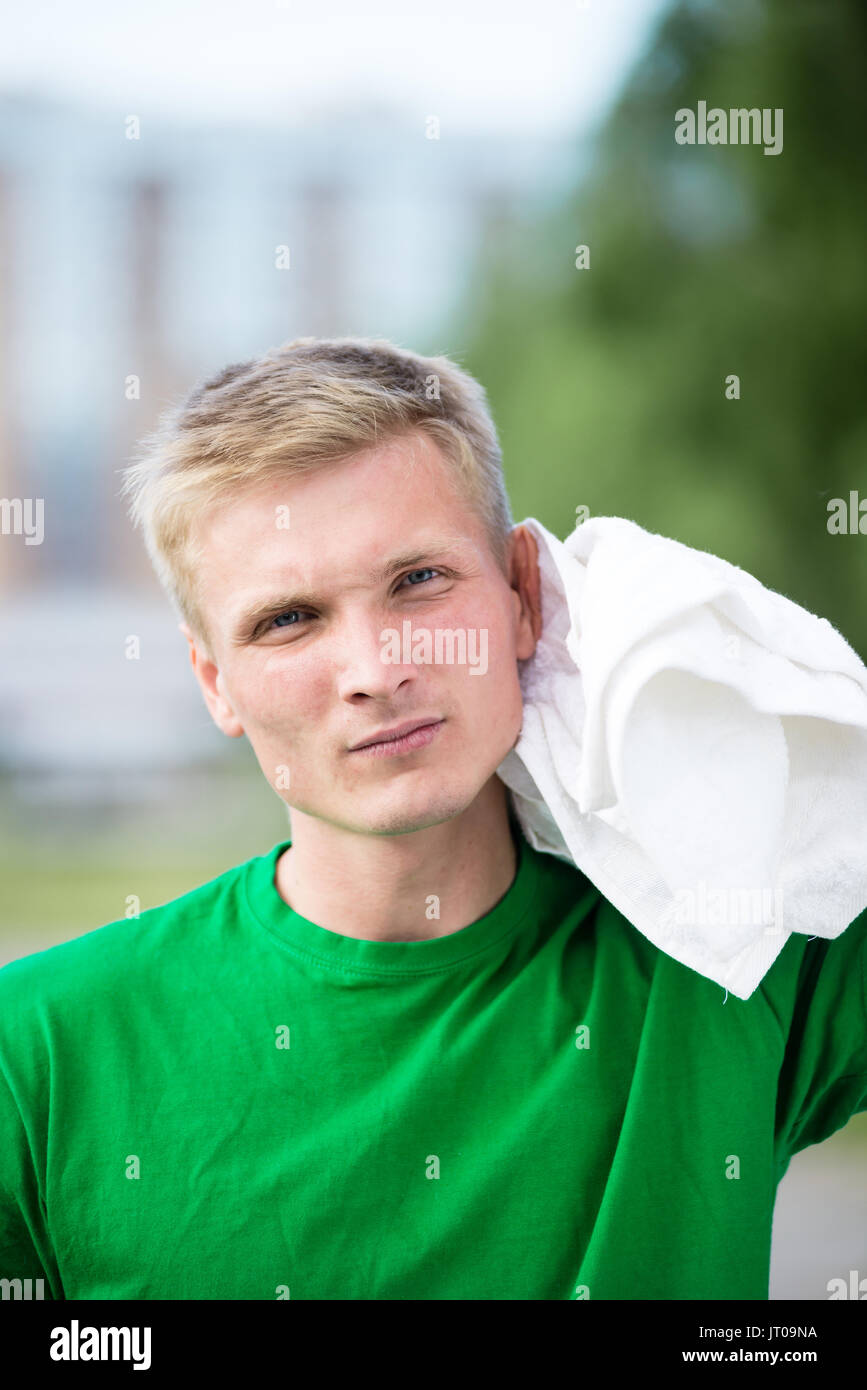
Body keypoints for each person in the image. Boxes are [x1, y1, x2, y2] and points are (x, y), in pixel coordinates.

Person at [0, 337, 864, 1301]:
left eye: (418, 582)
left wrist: (755, 705)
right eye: (288, 619)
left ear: (525, 597)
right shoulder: (32, 1054)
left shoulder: (737, 946)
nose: (375, 671)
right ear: (217, 683)